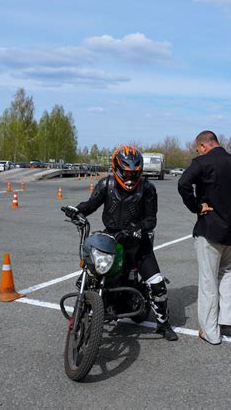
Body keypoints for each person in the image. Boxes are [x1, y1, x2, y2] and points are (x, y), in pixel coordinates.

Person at [65, 145, 178, 341]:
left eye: (134, 174)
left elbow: (151, 220)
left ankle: (163, 323)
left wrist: (138, 228)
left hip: (137, 241)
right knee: (91, 272)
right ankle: (89, 306)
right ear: (116, 169)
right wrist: (77, 210)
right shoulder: (105, 184)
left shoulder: (148, 188)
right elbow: (90, 205)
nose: (129, 179)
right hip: (111, 238)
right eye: (125, 173)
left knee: (157, 284)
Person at [178, 131, 231, 345]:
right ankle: (226, 319)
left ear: (203, 145)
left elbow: (183, 184)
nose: (198, 151)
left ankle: (211, 332)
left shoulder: (202, 162)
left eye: (198, 148)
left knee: (208, 280)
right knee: (227, 273)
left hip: (210, 229)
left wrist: (197, 207)